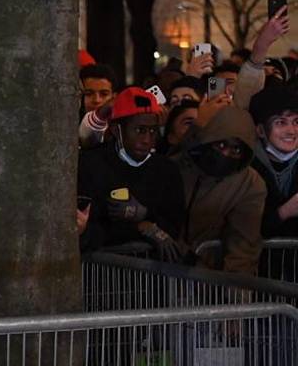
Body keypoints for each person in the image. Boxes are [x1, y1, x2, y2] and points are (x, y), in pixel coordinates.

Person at [77, 88, 184, 257]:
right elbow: (90, 228)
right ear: (115, 129)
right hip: (102, 272)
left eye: (153, 131)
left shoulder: (167, 170)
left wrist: (146, 215)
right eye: (140, 130)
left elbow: (175, 226)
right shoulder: (91, 165)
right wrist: (141, 227)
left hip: (153, 274)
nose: (147, 139)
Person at [173, 104, 266, 274]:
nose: (226, 154)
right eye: (221, 145)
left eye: (236, 149)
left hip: (210, 278)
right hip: (160, 272)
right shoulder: (177, 167)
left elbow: (243, 246)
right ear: (208, 140)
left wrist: (235, 294)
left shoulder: (250, 183)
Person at [249, 86, 298, 239]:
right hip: (259, 260)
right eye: (280, 123)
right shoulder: (246, 167)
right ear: (260, 130)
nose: (292, 130)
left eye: (296, 121)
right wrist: (284, 212)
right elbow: (242, 229)